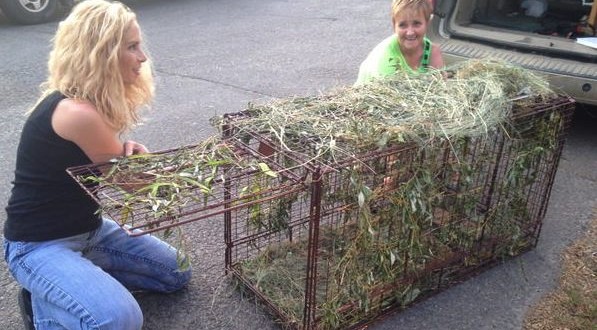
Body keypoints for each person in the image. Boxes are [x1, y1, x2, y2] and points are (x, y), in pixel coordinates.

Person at [3, 1, 192, 329]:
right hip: (38, 246)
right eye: (132, 47)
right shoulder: (78, 113)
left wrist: (128, 160)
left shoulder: (90, 102)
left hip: (92, 232)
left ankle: (72, 281)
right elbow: (140, 187)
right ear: (102, 53)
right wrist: (143, 162)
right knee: (120, 319)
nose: (143, 57)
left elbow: (116, 170)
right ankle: (41, 307)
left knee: (177, 271)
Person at [355, 0, 444, 86]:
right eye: (402, 25)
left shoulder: (431, 51)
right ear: (394, 26)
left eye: (416, 23)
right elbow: (389, 97)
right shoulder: (386, 58)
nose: (410, 32)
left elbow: (441, 87)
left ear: (427, 24)